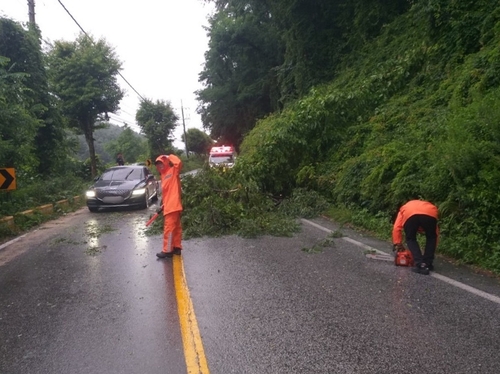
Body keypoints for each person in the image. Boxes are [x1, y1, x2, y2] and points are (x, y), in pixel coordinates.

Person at [392, 199, 439, 275]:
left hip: (410, 214)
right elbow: (435, 235)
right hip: (430, 213)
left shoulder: (403, 209)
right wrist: (432, 249)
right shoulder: (426, 207)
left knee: (411, 239)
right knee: (431, 238)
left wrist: (397, 243)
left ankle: (419, 264)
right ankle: (427, 263)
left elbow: (396, 228)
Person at [154, 154, 183, 258]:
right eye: (157, 164)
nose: (159, 166)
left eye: (161, 163)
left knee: (169, 229)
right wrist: (163, 204)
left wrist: (169, 156)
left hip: (173, 206)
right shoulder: (163, 176)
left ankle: (167, 250)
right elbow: (167, 193)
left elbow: (178, 163)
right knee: (176, 228)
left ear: (165, 162)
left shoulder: (172, 171)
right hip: (170, 206)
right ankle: (176, 247)